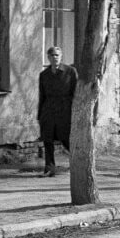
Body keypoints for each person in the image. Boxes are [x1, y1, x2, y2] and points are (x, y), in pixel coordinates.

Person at [38, 46, 77, 177]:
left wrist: (73, 112)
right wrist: (40, 115)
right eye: (52, 55)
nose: (55, 58)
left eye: (57, 55)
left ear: (61, 57)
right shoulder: (44, 75)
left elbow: (75, 93)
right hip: (48, 111)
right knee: (47, 141)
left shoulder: (70, 72)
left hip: (65, 111)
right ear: (48, 57)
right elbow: (42, 95)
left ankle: (77, 166)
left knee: (66, 140)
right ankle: (50, 169)